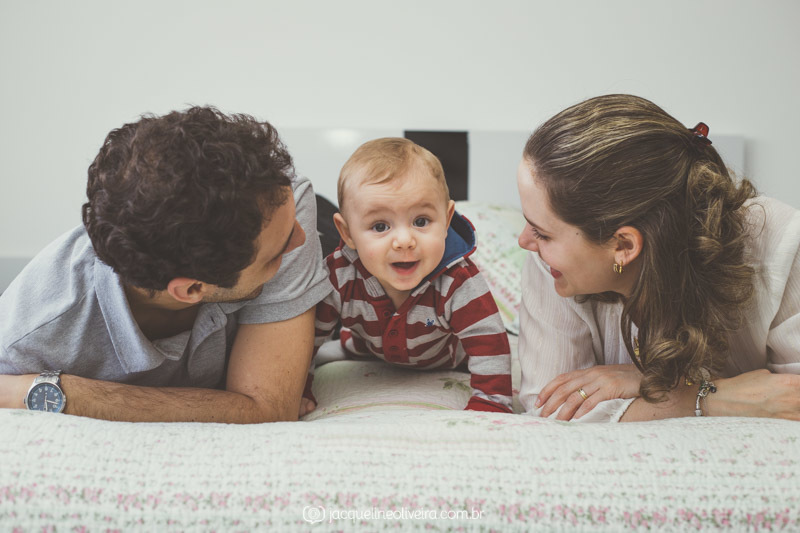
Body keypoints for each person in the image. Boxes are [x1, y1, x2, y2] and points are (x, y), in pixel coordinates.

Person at [0, 106, 330, 423]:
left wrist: (69, 394)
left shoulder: (280, 202)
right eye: (278, 253)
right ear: (193, 289)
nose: (300, 239)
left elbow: (268, 408)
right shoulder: (28, 341)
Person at [516, 94, 800, 422]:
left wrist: (664, 388)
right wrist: (704, 398)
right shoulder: (552, 265)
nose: (524, 241)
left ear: (624, 245)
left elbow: (791, 398)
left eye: (543, 233)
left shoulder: (781, 245)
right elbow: (550, 409)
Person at [304, 137, 513, 414]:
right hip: (368, 348)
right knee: (332, 343)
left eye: (421, 221)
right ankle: (347, 347)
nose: (404, 241)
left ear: (447, 220)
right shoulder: (340, 274)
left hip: (446, 358)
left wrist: (491, 401)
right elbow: (308, 336)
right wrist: (299, 388)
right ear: (347, 233)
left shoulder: (458, 280)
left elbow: (488, 340)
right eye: (380, 226)